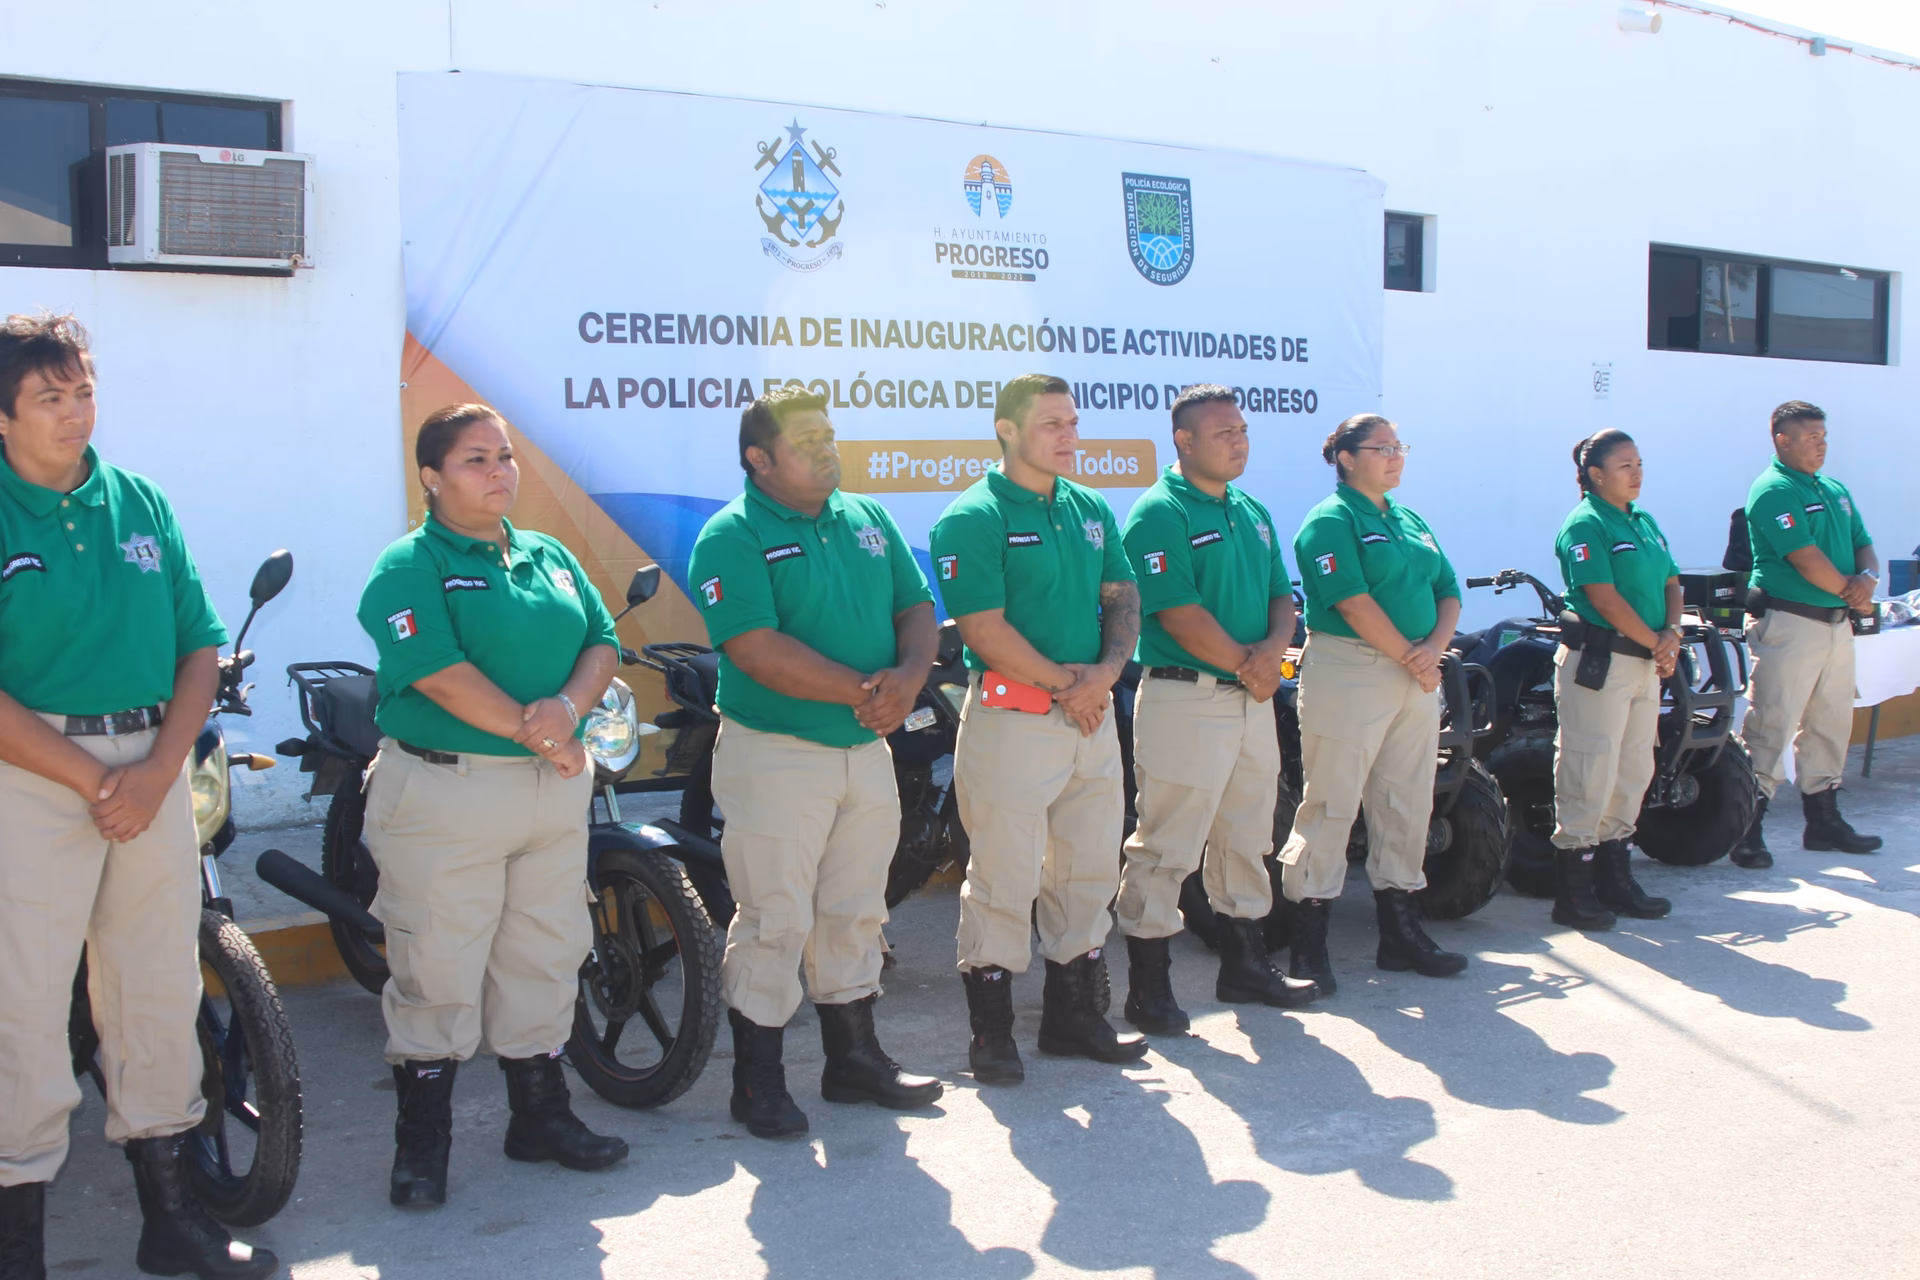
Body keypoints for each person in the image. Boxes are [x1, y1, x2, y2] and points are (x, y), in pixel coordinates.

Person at [0, 314, 277, 1280]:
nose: (75, 413)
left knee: (156, 990)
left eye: (82, 392)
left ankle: (172, 1219)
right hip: (31, 775)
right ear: (4, 416)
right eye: (49, 398)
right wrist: (91, 778)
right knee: (23, 1005)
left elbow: (197, 641)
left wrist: (159, 769)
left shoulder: (138, 501)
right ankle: (19, 1243)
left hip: (150, 767)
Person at [356, 402, 628, 1209]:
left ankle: (539, 1117)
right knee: (436, 963)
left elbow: (602, 639)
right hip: (448, 790)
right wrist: (535, 730)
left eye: (504, 456)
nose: (498, 471)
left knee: (542, 953)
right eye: (476, 460)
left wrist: (570, 710)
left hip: (546, 792)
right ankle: (422, 1143)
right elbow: (436, 670)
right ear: (432, 478)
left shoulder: (545, 554)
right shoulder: (409, 565)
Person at [687, 387, 943, 1140]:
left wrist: (910, 677)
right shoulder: (731, 535)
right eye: (808, 440)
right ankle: (757, 1079)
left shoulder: (867, 517)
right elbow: (755, 648)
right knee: (775, 915)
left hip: (864, 749)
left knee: (856, 907)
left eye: (831, 434)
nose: (829, 448)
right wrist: (872, 692)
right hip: (778, 753)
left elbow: (915, 607)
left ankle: (852, 1058)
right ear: (757, 460)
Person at [929, 373, 1148, 1083]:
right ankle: (991, 1035)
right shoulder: (973, 517)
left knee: (1087, 870)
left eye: (1073, 423)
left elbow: (1121, 597)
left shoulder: (1089, 508)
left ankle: (1074, 1017)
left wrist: (1107, 674)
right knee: (1004, 875)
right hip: (1016, 720)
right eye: (1052, 424)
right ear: (1007, 430)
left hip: (1089, 721)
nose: (1070, 437)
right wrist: (1072, 686)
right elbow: (985, 630)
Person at [1115, 384, 1318, 1032]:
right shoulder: (1159, 512)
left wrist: (1271, 657)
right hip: (1188, 697)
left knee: (1248, 836)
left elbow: (1282, 598)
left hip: (1250, 700)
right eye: (1224, 432)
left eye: (1243, 430)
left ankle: (1246, 965)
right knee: (1167, 844)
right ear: (1184, 440)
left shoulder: (1251, 509)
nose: (1239, 441)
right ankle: (1150, 988)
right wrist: (1247, 664)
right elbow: (1177, 609)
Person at [1280, 414, 1467, 994]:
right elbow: (1352, 602)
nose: (1395, 456)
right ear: (1344, 458)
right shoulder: (1330, 521)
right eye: (1381, 447)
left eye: (1398, 446)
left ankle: (1400, 934)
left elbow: (1448, 590)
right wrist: (1414, 656)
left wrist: (1431, 651)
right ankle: (1309, 944)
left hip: (1416, 672)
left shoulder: (1408, 518)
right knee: (1332, 803)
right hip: (1354, 671)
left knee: (1407, 800)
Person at [1731, 401, 1881, 866]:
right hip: (1792, 623)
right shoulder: (1774, 489)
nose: (1821, 445)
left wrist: (1868, 580)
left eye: (1823, 435)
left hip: (1835, 625)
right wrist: (1851, 590)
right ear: (1782, 440)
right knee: (1772, 724)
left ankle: (1823, 819)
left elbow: (1864, 544)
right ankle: (1746, 829)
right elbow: (1804, 556)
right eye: (1811, 436)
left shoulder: (1833, 489)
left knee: (1830, 723)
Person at [1547, 429, 1679, 930]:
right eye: (1625, 465)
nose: (1637, 472)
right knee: (1589, 766)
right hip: (1602, 663)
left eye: (1640, 463)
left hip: (1644, 660)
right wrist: (1654, 640)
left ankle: (1615, 879)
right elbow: (1603, 598)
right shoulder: (1585, 525)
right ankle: (1574, 892)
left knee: (1631, 768)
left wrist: (1669, 635)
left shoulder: (1642, 522)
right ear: (1595, 474)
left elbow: (1670, 579)